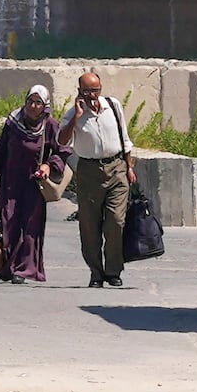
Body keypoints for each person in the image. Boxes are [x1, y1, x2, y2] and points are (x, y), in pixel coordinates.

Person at [57, 70, 136, 288]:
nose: (92, 95)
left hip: (117, 168)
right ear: (79, 92)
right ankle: (96, 272)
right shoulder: (74, 113)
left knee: (116, 222)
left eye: (95, 90)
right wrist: (76, 117)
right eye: (87, 91)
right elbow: (62, 141)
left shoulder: (113, 105)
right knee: (90, 225)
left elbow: (125, 137)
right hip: (89, 172)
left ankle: (113, 271)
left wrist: (129, 166)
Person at [0, 85, 69, 283]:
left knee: (30, 227)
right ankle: (9, 266)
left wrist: (49, 165)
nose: (33, 106)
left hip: (34, 183)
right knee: (9, 223)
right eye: (30, 101)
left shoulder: (50, 126)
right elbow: (1, 148)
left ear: (45, 106)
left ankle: (24, 270)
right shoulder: (13, 122)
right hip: (10, 181)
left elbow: (62, 151)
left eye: (38, 103)